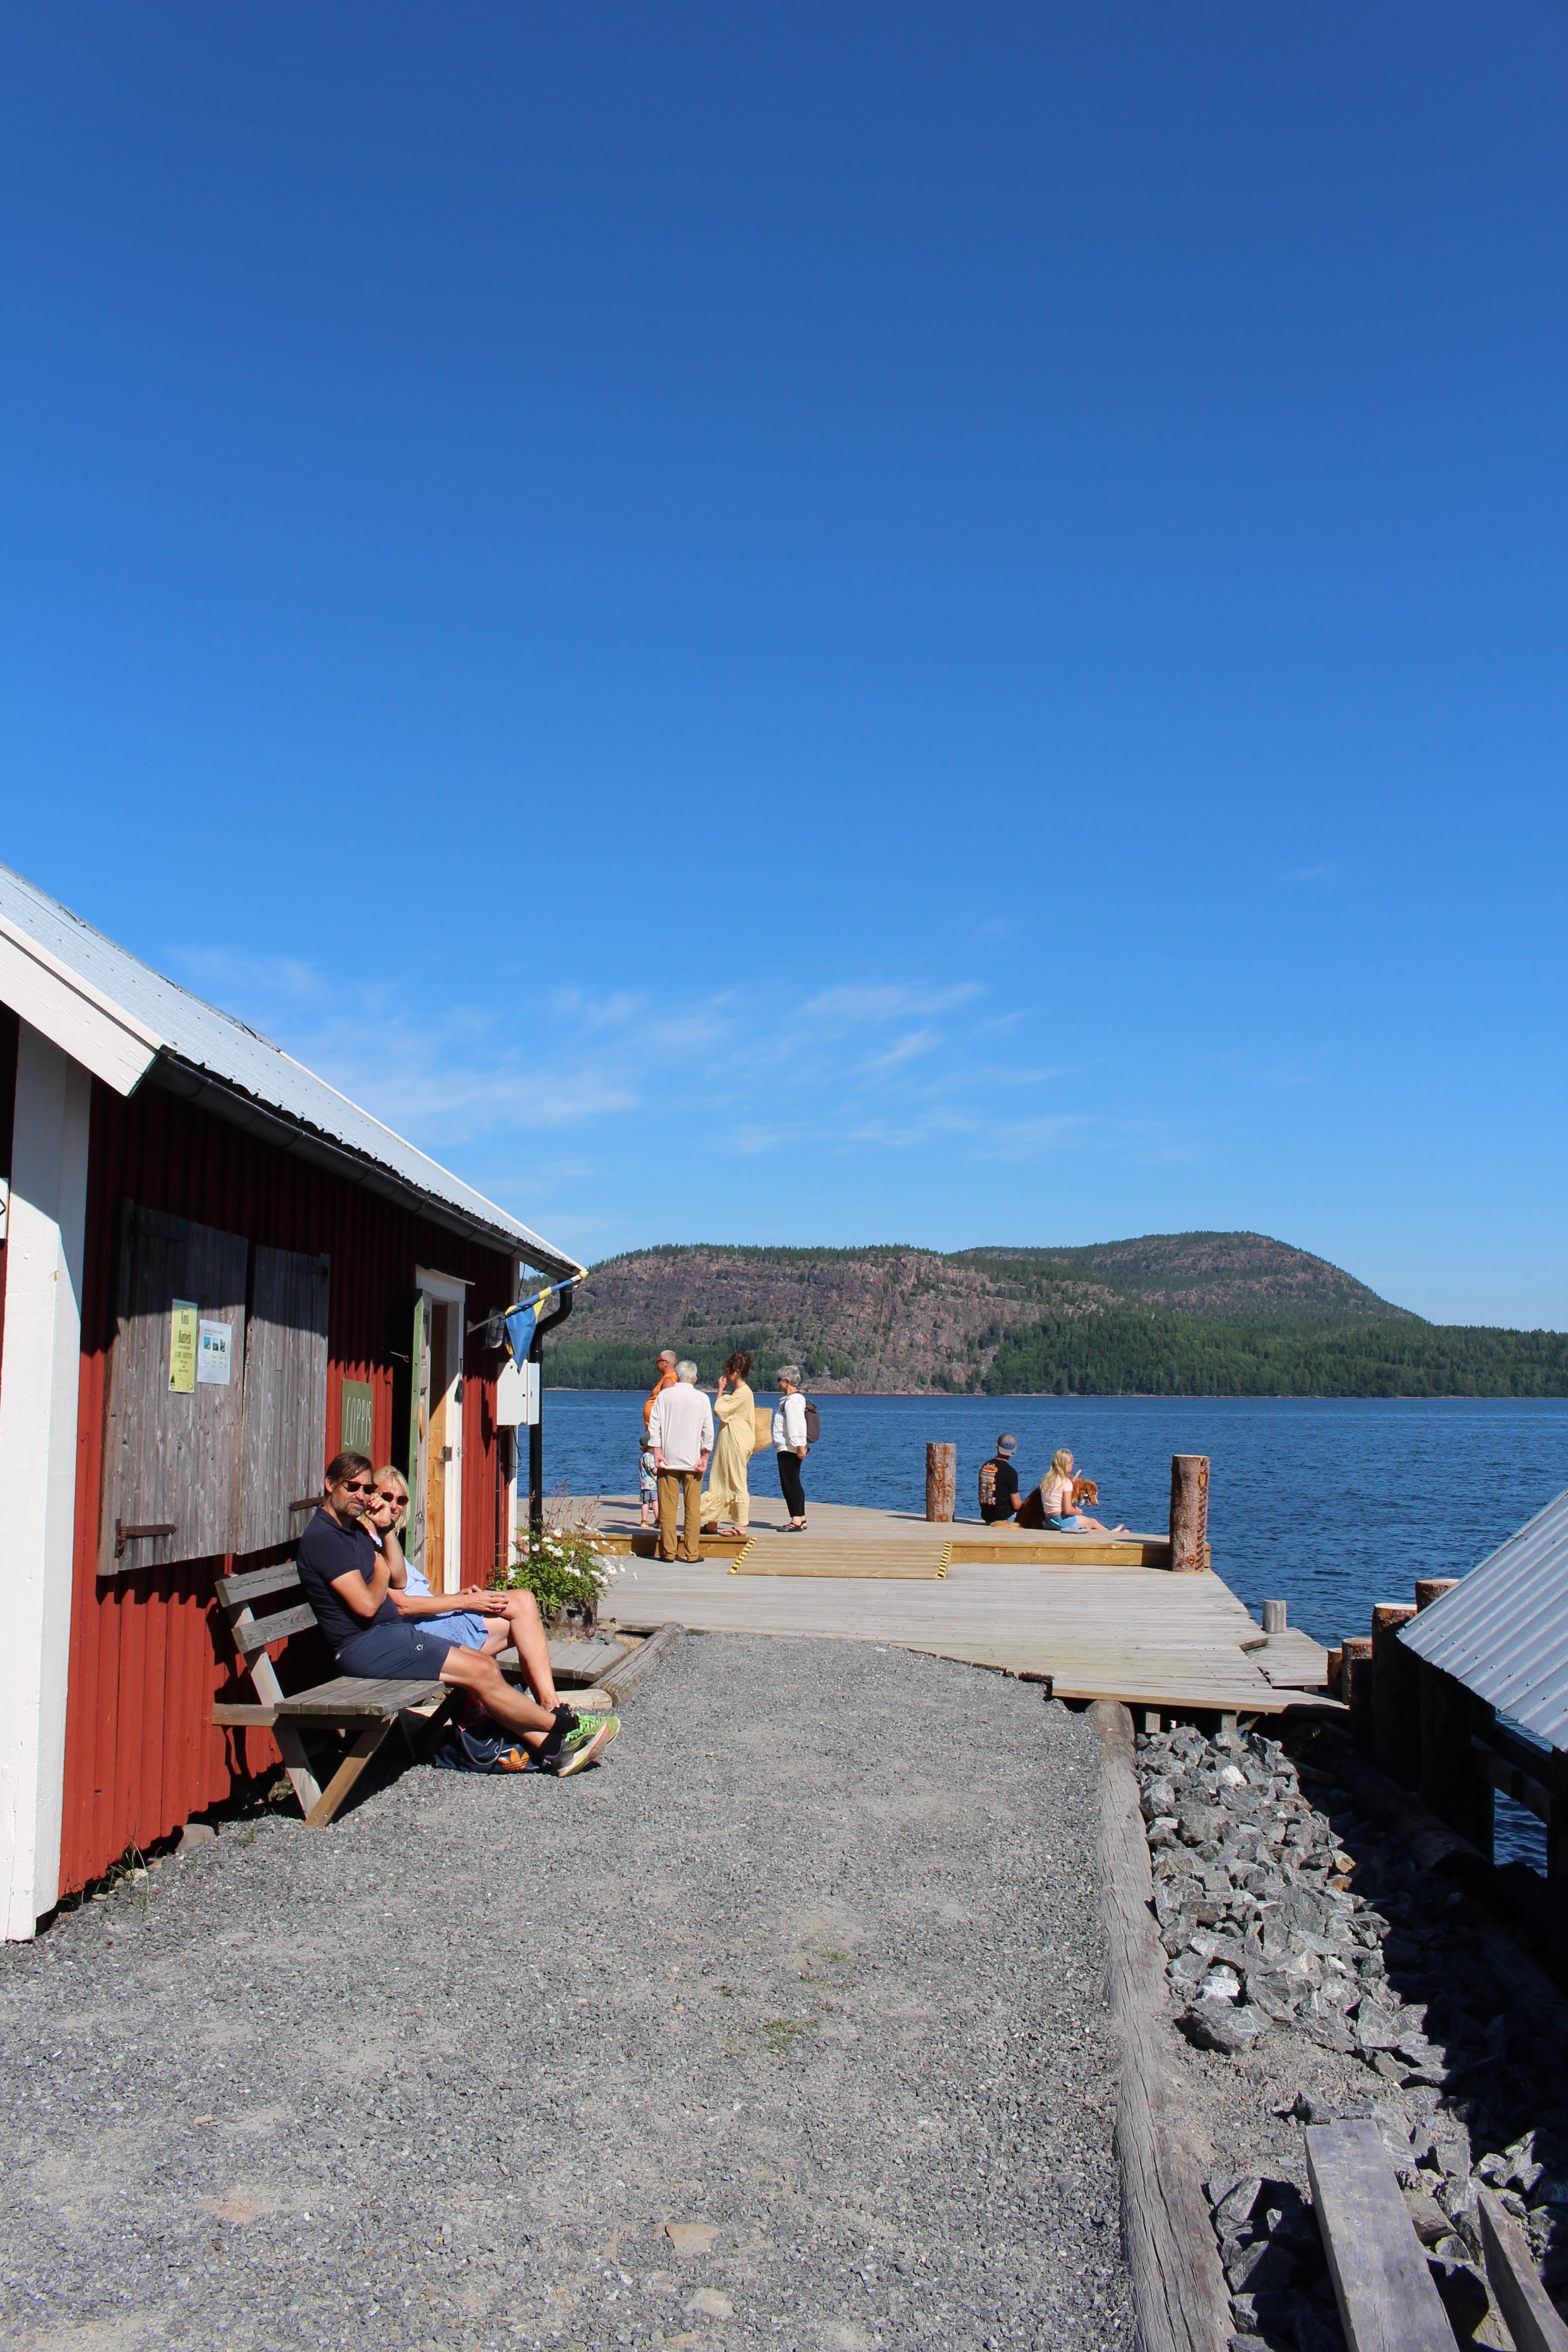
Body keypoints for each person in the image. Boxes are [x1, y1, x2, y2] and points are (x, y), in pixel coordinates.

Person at [295, 1453, 617, 1775]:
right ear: (330, 1484)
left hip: (390, 1636)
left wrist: (386, 1530)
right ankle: (564, 1724)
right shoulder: (325, 1539)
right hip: (365, 1646)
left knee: (485, 1666)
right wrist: (380, 1569)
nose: (362, 1496)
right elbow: (367, 1604)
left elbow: (400, 1578)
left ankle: (553, 1748)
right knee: (482, 1673)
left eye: (367, 1490)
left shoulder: (352, 1531)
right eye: (354, 1487)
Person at [647, 1362, 713, 1563]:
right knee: (693, 1509)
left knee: (667, 1509)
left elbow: (654, 1424)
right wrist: (705, 1456)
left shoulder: (664, 1396)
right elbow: (708, 1430)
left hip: (668, 1460)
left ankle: (669, 1552)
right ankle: (692, 1553)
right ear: (695, 1379)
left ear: (678, 1376)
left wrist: (656, 1450)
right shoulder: (702, 1399)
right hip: (693, 1462)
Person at [701, 1352, 756, 1535]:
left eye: (728, 1371)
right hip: (732, 1441)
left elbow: (718, 1409)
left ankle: (740, 1525)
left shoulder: (743, 1393)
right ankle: (712, 1523)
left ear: (737, 1372)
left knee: (736, 1480)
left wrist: (720, 1390)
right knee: (720, 1479)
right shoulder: (741, 1393)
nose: (726, 1374)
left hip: (736, 1441)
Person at [1034, 1447, 1126, 1534]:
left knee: (1087, 1526)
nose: (1072, 1468)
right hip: (1062, 1522)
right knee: (1094, 1522)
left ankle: (1107, 1533)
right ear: (1065, 1465)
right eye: (1071, 1465)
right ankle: (1111, 1535)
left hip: (1049, 1522)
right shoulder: (1066, 1483)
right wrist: (1078, 1512)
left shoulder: (1046, 1480)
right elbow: (1068, 1511)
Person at [640, 1348, 677, 1527]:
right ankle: (660, 1516)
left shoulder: (669, 1380)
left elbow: (667, 1407)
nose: (657, 1362)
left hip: (660, 1439)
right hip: (656, 1436)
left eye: (659, 1360)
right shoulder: (666, 1380)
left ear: (667, 1363)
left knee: (660, 1475)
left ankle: (662, 1517)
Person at [773, 1365, 809, 1532]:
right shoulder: (791, 1400)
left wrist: (800, 1446)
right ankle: (801, 1518)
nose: (778, 1384)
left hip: (789, 1447)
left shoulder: (793, 1401)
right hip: (788, 1446)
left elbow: (796, 1426)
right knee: (793, 1481)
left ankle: (796, 1519)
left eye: (779, 1380)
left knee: (790, 1483)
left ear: (787, 1382)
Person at [979, 1433, 1022, 1524]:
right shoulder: (1011, 1472)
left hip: (988, 1517)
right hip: (1005, 1518)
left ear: (997, 1446)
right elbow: (1017, 1506)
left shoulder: (985, 1467)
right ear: (1015, 1450)